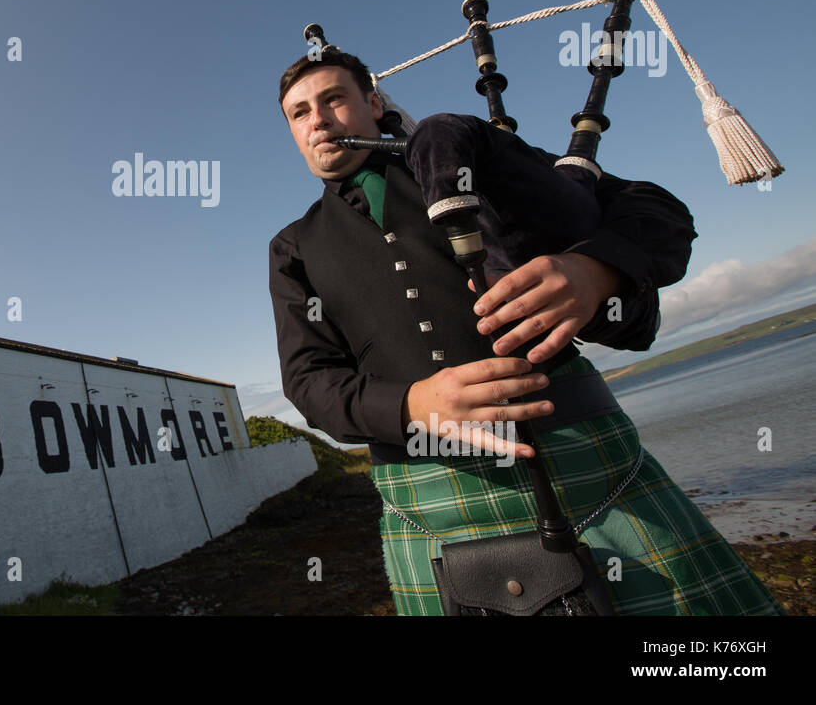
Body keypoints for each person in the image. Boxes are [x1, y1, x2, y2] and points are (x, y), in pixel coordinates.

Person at [268, 42, 784, 615]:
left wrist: (595, 271)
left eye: (334, 98)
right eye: (299, 112)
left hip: (584, 463)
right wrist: (412, 404)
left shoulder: (472, 162)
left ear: (373, 101)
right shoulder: (293, 248)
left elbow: (656, 209)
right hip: (426, 497)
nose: (318, 119)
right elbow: (309, 382)